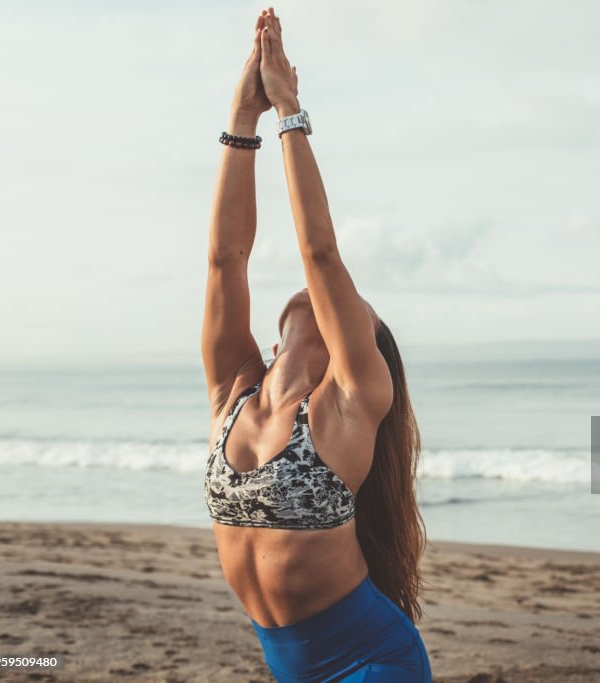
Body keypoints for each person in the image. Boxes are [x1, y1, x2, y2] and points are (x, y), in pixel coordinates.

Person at [200, 9, 430, 682]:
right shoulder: (232, 392)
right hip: (289, 667)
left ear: (352, 346)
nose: (341, 296)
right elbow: (224, 262)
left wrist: (289, 114)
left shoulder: (351, 403)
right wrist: (241, 119)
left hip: (372, 662)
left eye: (358, 308)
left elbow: (321, 253)